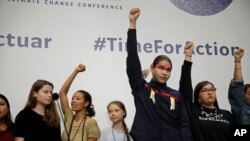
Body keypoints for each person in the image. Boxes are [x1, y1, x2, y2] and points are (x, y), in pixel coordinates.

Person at [126, 8, 192, 141]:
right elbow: (132, 58)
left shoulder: (176, 95)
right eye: (161, 68)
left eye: (168, 70)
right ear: (152, 68)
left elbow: (184, 124)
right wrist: (132, 24)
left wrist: (188, 56)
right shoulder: (141, 88)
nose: (165, 72)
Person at [179, 42, 234, 141]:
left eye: (212, 89)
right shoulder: (193, 111)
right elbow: (185, 87)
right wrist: (188, 56)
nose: (210, 92)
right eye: (205, 90)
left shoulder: (227, 114)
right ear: (198, 96)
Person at [59, 64, 100, 141]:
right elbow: (62, 93)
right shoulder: (69, 117)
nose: (73, 101)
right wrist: (76, 71)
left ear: (86, 103)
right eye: (72, 98)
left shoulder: (91, 123)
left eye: (78, 98)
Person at [228, 48, 250, 124]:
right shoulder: (241, 111)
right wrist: (237, 61)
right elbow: (237, 87)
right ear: (242, 96)